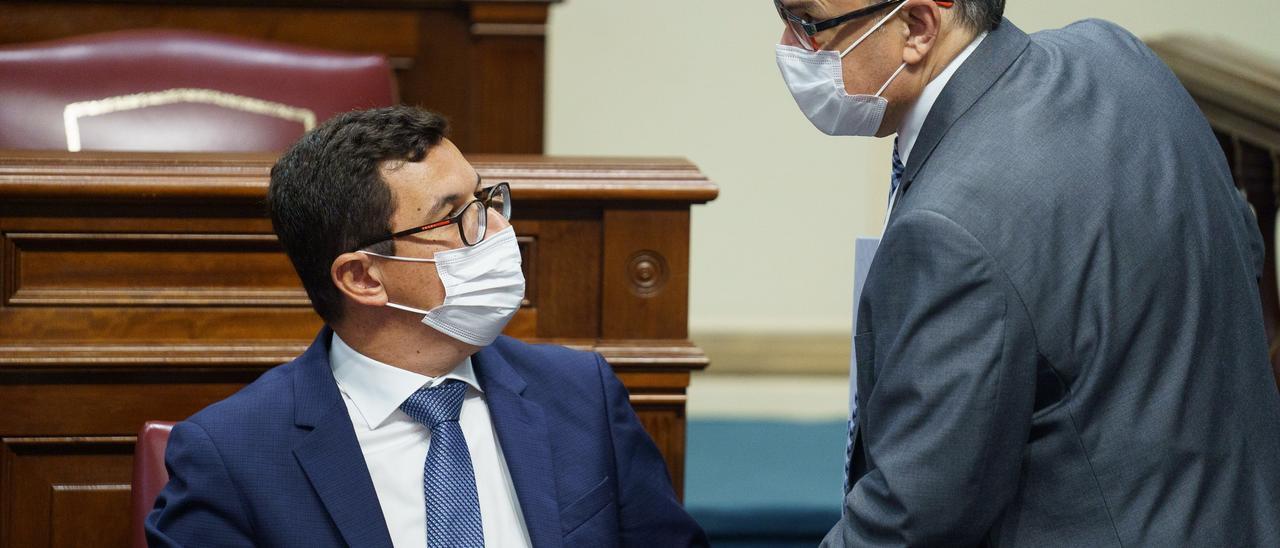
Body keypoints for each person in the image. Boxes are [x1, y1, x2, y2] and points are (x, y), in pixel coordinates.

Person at [772, 0, 1280, 545]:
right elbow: (1245, 251)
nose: (788, 44)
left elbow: (910, 519)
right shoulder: (1118, 54)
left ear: (917, 28)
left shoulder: (948, 228)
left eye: (806, 23)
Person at [145, 106, 707, 547]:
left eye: (486, 199)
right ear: (363, 277)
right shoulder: (233, 457)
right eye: (458, 216)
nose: (496, 231)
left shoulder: (581, 393)